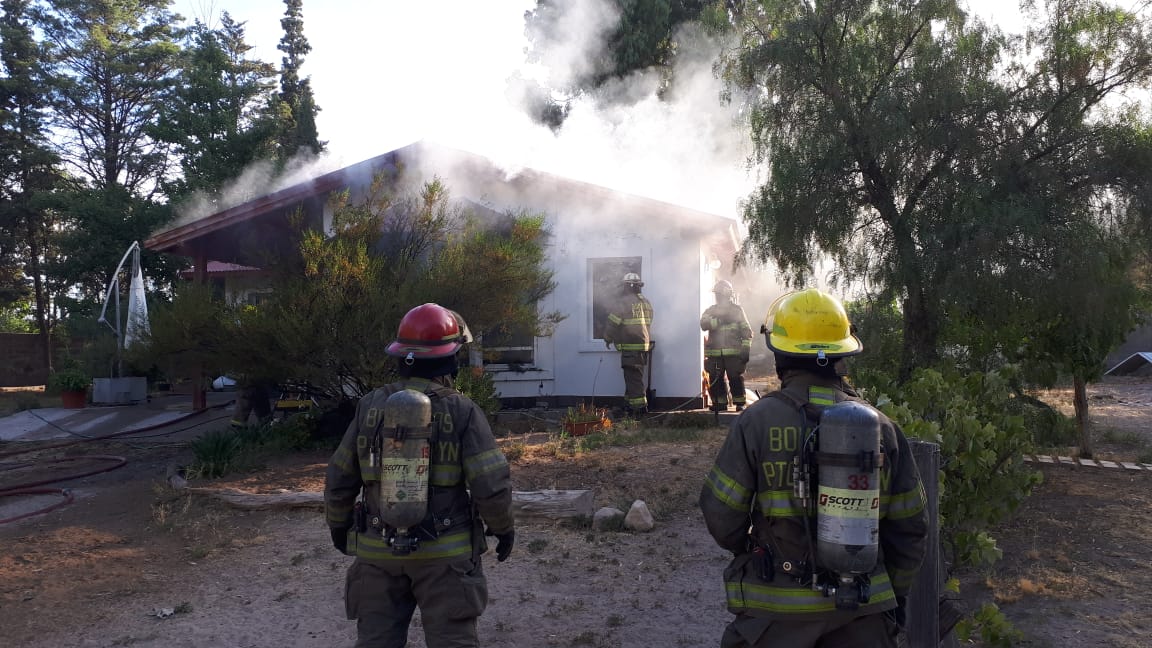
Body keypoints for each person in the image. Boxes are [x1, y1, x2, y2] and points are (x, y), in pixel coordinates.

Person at [699, 288, 928, 647]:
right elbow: (911, 526)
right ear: (842, 354)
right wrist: (891, 594)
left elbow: (721, 513)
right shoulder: (881, 427)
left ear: (780, 355)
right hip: (864, 620)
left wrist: (756, 552)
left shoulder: (756, 422)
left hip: (774, 617)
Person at [324, 303, 515, 648]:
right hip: (445, 557)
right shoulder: (462, 410)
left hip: (377, 553)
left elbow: (340, 476)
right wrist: (503, 528)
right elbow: (490, 484)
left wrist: (338, 526)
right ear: (450, 360)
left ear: (400, 356)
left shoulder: (369, 406)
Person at [603, 272, 654, 415]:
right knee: (633, 377)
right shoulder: (646, 303)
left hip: (631, 347)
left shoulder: (623, 303)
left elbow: (613, 323)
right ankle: (629, 405)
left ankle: (639, 409)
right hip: (643, 347)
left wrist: (607, 337)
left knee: (633, 379)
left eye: (624, 286)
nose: (623, 289)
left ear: (629, 286)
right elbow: (649, 321)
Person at [700, 279, 754, 412]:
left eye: (719, 294)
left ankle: (739, 403)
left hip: (733, 353)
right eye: (716, 294)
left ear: (727, 294)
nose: (717, 297)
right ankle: (720, 404)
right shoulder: (711, 310)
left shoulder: (737, 310)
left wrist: (746, 348)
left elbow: (746, 331)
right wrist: (719, 320)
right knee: (715, 379)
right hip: (715, 353)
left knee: (735, 378)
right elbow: (703, 324)